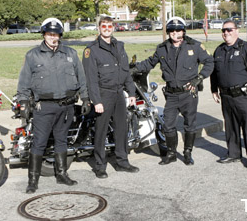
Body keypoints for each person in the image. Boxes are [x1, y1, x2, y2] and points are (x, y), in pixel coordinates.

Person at [17, 17, 91, 193]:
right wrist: (24, 102)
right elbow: (24, 82)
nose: (53, 37)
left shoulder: (71, 54)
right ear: (44, 34)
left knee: (61, 141)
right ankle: (33, 180)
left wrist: (86, 99)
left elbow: (82, 78)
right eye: (49, 34)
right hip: (44, 107)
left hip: (66, 107)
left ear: (60, 35)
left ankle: (62, 175)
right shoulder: (33, 55)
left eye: (56, 34)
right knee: (39, 142)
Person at [131, 17, 214, 166]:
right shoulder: (162, 48)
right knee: (168, 125)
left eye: (178, 30)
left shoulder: (194, 46)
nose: (175, 33)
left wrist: (199, 78)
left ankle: (188, 153)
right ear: (168, 32)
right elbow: (150, 63)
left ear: (183, 31)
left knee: (190, 125)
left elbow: (209, 62)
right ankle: (171, 153)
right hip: (171, 94)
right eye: (172, 31)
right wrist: (133, 68)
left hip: (188, 92)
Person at [82, 16, 139, 179]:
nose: (107, 29)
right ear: (99, 28)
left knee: (122, 129)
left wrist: (132, 93)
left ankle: (122, 162)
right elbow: (90, 78)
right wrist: (96, 100)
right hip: (103, 94)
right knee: (101, 131)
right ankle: (100, 166)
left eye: (109, 26)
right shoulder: (91, 50)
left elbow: (125, 72)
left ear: (113, 27)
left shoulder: (119, 46)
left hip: (119, 93)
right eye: (104, 26)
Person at [210, 20, 247, 168]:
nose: (226, 33)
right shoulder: (219, 50)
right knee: (230, 125)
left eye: (229, 30)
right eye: (223, 30)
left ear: (237, 31)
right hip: (226, 96)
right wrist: (213, 89)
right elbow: (214, 73)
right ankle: (233, 153)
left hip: (245, 95)